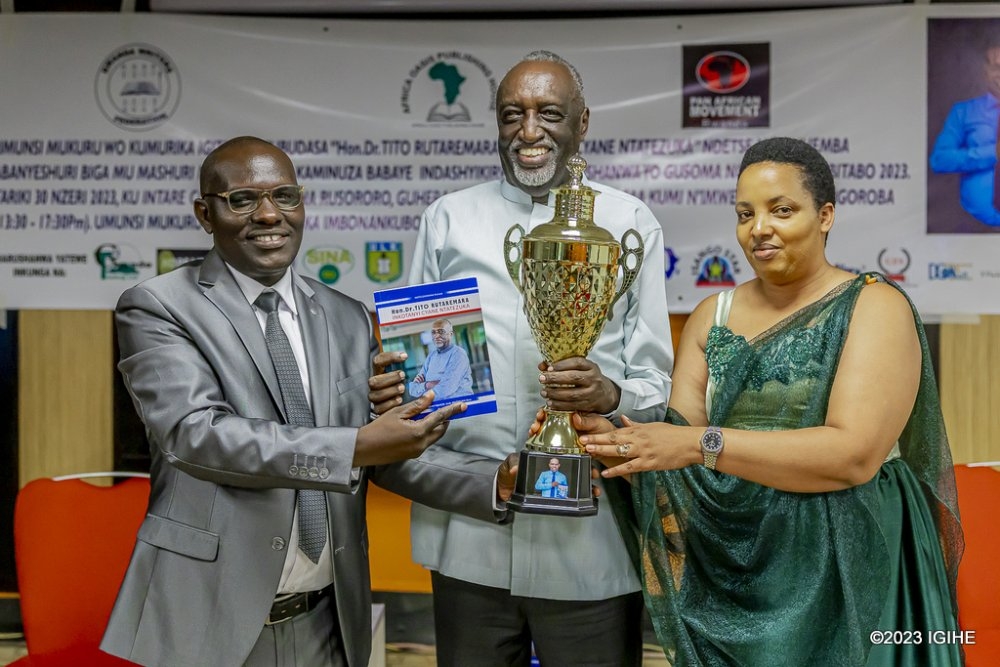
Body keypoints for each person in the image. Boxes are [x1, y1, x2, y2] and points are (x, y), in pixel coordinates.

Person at [100, 137, 507, 667]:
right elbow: (196, 435)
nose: (269, 214)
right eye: (242, 199)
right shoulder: (159, 306)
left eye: (285, 196)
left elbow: (380, 454)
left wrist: (495, 481)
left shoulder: (347, 316)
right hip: (207, 619)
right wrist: (356, 444)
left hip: (327, 621)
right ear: (205, 214)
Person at [579, 137, 963, 666]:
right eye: (745, 214)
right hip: (740, 567)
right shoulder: (712, 316)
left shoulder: (875, 306)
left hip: (858, 563)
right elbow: (676, 464)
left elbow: (852, 456)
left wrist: (696, 443)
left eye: (781, 210)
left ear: (825, 216)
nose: (759, 228)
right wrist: (610, 440)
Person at [371, 50, 673, 667]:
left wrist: (610, 394)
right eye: (513, 114)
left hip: (590, 540)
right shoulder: (449, 220)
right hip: (471, 534)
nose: (528, 131)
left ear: (582, 122)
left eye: (549, 114)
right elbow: (420, 371)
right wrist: (397, 385)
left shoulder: (628, 223)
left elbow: (655, 384)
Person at [930, 36, 1000, 226]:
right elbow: (939, 160)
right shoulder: (963, 112)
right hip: (970, 227)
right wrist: (992, 153)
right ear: (985, 72)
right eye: (996, 67)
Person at [408, 318, 474, 400]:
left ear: (450, 334)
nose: (437, 336)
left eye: (441, 332)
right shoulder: (431, 356)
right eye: (433, 332)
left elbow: (446, 388)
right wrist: (428, 385)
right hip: (436, 405)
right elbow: (412, 390)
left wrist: (424, 385)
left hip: (461, 404)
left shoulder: (459, 354)